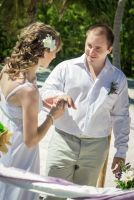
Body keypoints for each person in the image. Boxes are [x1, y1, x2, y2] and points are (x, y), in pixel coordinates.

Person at [40, 24, 130, 199]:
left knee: (83, 197)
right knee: (52, 195)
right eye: (89, 45)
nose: (91, 51)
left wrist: (121, 152)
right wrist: (59, 95)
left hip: (96, 148)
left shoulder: (118, 78)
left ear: (109, 49)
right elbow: (46, 91)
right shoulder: (66, 67)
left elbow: (121, 117)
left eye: (98, 48)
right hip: (63, 141)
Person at [0, 22, 66, 200]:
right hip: (21, 154)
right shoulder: (28, 90)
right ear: (44, 50)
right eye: (55, 51)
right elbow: (31, 140)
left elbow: (13, 106)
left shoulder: (8, 69)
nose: (54, 56)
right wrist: (52, 116)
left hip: (5, 141)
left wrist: (41, 102)